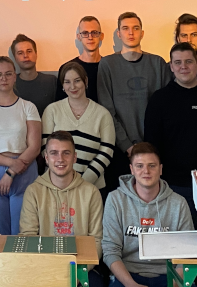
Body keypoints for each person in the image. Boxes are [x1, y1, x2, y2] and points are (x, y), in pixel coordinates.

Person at [143, 42, 197, 226]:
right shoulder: (159, 99)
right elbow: (152, 144)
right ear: (171, 67)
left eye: (188, 61)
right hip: (174, 184)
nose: (183, 67)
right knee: (180, 237)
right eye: (178, 62)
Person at [98, 13, 171, 190]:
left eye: (135, 28)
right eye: (125, 28)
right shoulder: (107, 64)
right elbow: (107, 111)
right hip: (121, 150)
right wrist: (127, 146)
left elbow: (167, 109)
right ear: (118, 34)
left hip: (155, 151)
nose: (131, 33)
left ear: (142, 33)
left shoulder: (158, 63)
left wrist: (150, 148)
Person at [103, 143, 193, 287]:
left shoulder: (179, 203)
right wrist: (131, 284)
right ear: (131, 169)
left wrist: (174, 284)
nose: (146, 171)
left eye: (152, 165)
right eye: (139, 166)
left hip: (169, 274)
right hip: (128, 275)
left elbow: (188, 252)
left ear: (160, 169)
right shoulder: (115, 199)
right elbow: (110, 250)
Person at [20, 131, 104, 282]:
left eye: (66, 153)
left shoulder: (91, 192)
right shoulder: (33, 191)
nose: (60, 159)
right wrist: (52, 275)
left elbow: (96, 241)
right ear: (46, 158)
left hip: (81, 269)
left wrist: (75, 276)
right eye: (54, 153)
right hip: (44, 268)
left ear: (74, 157)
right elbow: (28, 237)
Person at [0, 56, 42, 234]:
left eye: (8, 74)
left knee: (24, 230)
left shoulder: (28, 107)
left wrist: (12, 171)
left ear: (14, 76)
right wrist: (11, 165)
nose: (3, 78)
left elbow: (34, 147)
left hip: (24, 169)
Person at [42, 61, 115, 189]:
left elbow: (106, 152)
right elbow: (45, 149)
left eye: (77, 81)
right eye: (67, 82)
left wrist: (82, 182)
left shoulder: (103, 114)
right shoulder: (52, 110)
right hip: (55, 186)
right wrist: (64, 180)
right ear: (62, 85)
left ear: (85, 81)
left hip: (91, 187)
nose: (73, 86)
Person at [12, 33, 59, 117]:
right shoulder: (10, 84)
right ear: (15, 57)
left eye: (29, 51)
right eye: (20, 53)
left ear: (36, 54)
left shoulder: (51, 81)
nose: (25, 56)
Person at [58, 16, 104, 101]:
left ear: (101, 36)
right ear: (79, 37)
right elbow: (61, 103)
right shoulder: (67, 68)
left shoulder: (109, 67)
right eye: (85, 33)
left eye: (94, 32)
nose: (90, 37)